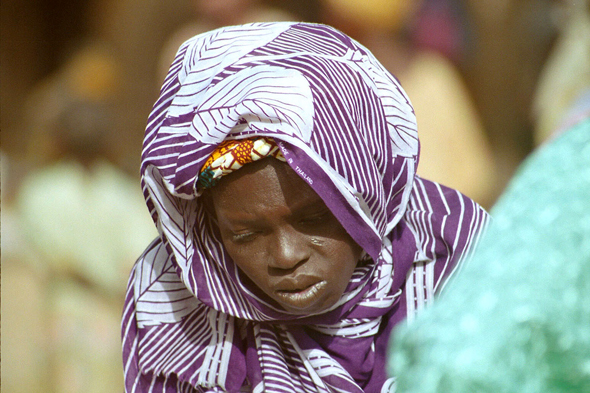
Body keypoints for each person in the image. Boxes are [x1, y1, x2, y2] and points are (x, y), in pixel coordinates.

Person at [122, 22, 488, 392]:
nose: (286, 256)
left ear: (365, 198)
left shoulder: (461, 260)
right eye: (245, 234)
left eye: (314, 218)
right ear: (213, 229)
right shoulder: (174, 306)